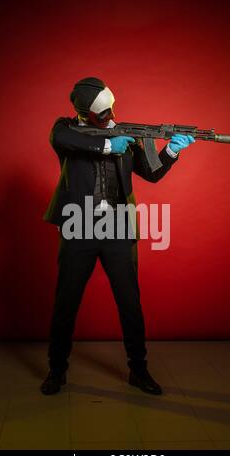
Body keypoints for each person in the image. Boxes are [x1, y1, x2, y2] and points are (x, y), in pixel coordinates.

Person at [41, 77, 195, 395]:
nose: (110, 117)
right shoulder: (65, 130)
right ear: (85, 114)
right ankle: (57, 371)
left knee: (130, 304)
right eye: (103, 114)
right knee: (65, 304)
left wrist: (172, 152)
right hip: (77, 226)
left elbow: (151, 173)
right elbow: (65, 138)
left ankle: (139, 371)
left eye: (112, 109)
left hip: (118, 228)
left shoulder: (126, 132)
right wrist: (109, 144)